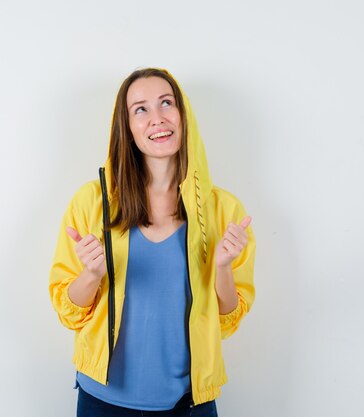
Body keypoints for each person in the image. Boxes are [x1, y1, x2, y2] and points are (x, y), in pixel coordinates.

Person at [49, 68, 256, 417]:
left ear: (183, 114)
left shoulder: (225, 210)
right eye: (140, 109)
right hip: (102, 403)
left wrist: (221, 267)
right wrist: (91, 274)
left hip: (189, 404)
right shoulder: (91, 203)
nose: (157, 118)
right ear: (127, 128)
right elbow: (68, 311)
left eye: (166, 103)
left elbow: (225, 318)